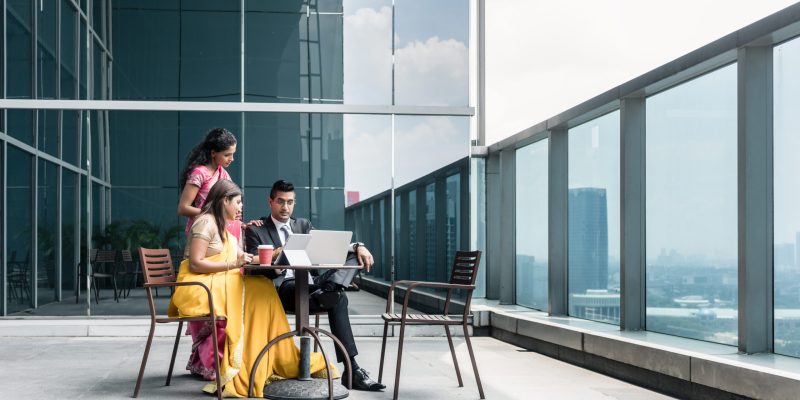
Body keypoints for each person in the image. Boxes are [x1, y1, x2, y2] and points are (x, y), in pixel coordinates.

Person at [168, 180, 334, 397]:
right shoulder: (205, 223)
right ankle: (253, 359)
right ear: (224, 200)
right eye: (237, 203)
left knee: (264, 287)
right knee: (261, 292)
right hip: (200, 285)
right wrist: (233, 265)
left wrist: (276, 253)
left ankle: (267, 355)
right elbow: (195, 264)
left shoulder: (224, 228)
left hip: (218, 280)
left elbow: (247, 258)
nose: (240, 208)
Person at [245, 179, 386, 392]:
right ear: (270, 202)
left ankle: (330, 289)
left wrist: (359, 246)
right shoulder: (257, 230)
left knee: (351, 259)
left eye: (290, 202)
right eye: (281, 202)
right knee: (340, 299)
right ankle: (353, 369)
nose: (285, 207)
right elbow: (255, 263)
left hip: (313, 286)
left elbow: (328, 246)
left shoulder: (303, 225)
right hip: (285, 287)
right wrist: (282, 252)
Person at [177, 127, 261, 239]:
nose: (232, 159)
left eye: (233, 154)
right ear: (213, 153)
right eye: (227, 155)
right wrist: (215, 214)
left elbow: (229, 206)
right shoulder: (199, 173)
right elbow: (183, 208)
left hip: (220, 231)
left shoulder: (223, 173)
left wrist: (242, 225)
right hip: (202, 232)